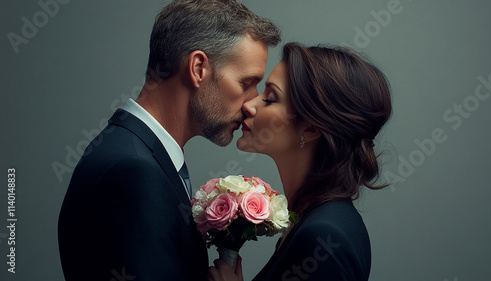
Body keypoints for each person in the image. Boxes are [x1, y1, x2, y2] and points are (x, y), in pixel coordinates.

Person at [58, 0, 280, 280]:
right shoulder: (133, 170)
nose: (251, 104)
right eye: (246, 83)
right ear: (198, 68)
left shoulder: (136, 152)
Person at [208, 42, 392, 281]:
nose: (249, 105)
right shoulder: (309, 218)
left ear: (312, 127)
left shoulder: (323, 235)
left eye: (270, 98)